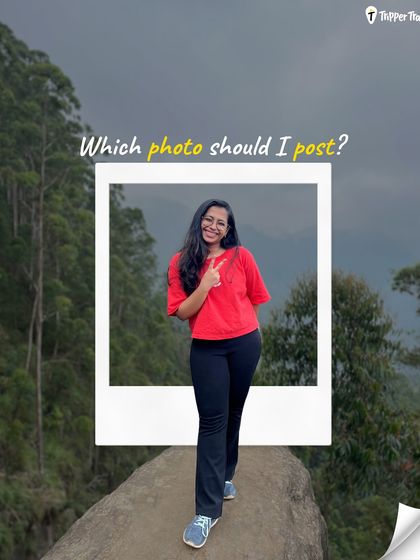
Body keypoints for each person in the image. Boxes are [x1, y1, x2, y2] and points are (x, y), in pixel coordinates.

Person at [166, 198, 271, 549]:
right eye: (208, 220)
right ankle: (205, 513)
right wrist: (206, 284)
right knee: (213, 422)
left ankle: (225, 476)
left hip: (244, 345)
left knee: (235, 412)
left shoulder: (242, 257)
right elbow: (182, 312)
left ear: (229, 229)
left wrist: (252, 330)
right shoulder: (182, 263)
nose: (213, 226)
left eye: (221, 223)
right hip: (207, 349)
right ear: (199, 222)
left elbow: (255, 296)